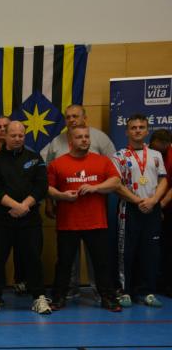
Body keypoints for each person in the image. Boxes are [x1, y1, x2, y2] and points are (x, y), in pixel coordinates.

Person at [46, 126, 122, 312]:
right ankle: (58, 298)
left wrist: (96, 187)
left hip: (96, 222)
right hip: (68, 223)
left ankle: (108, 298)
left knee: (101, 263)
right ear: (71, 141)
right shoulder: (57, 164)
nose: (84, 140)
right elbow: (48, 188)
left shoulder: (102, 161)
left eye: (86, 136)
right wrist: (62, 196)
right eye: (79, 137)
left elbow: (116, 182)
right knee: (64, 264)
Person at [0, 121, 51, 315]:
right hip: (1, 221)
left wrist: (24, 206)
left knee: (33, 259)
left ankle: (39, 297)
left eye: (21, 135)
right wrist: (15, 206)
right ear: (5, 135)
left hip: (30, 220)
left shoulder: (35, 158)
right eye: (13, 135)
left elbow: (41, 186)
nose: (17, 138)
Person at [112, 114, 168, 307]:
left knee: (151, 251)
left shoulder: (155, 155)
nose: (137, 130)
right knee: (126, 251)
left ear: (147, 130)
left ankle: (147, 291)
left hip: (152, 208)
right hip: (129, 209)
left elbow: (163, 180)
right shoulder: (119, 156)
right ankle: (125, 291)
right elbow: (116, 185)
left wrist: (153, 201)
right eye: (133, 127)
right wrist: (138, 201)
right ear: (126, 131)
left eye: (141, 127)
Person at [40, 105, 116, 163]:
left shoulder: (100, 137)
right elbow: (49, 170)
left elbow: (114, 163)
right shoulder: (56, 142)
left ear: (84, 118)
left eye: (75, 116)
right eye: (68, 117)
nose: (71, 120)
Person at [152, 129, 172, 296]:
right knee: (160, 247)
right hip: (155, 205)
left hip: (166, 206)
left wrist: (161, 205)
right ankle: (160, 283)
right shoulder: (152, 154)